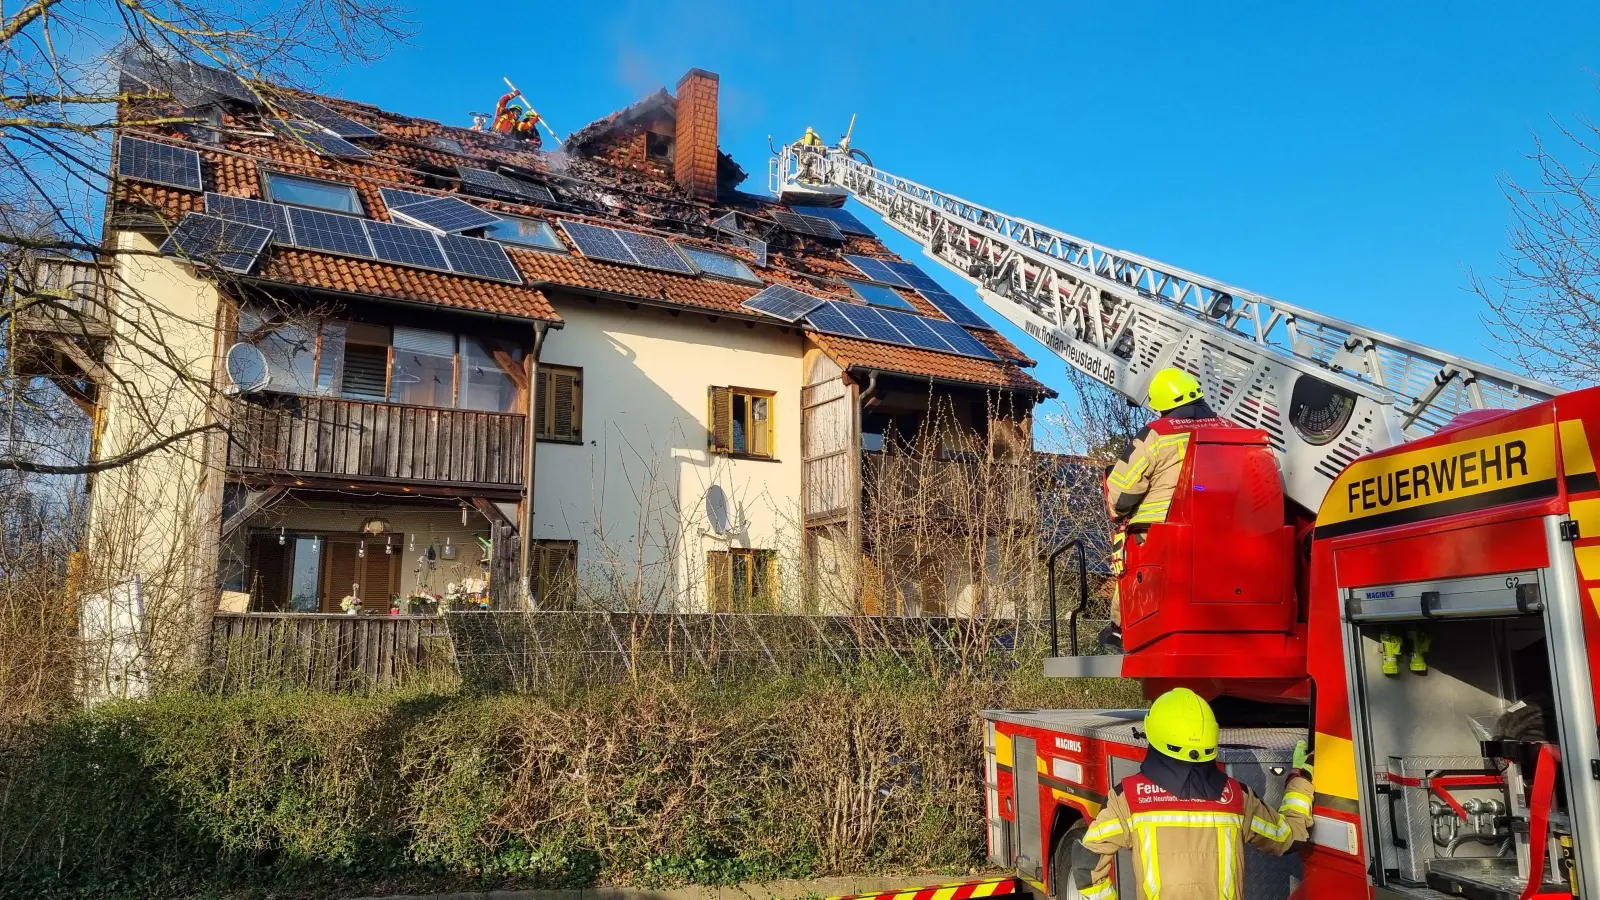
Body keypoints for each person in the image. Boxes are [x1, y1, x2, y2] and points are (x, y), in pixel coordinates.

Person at [1072, 688, 1314, 900]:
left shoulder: (1129, 798)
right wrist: (1301, 780)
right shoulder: (1237, 798)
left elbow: (1086, 865)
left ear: (1154, 734)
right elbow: (1288, 837)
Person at [1099, 367, 1226, 652]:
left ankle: (1121, 632)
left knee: (1128, 562)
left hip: (1159, 536)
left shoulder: (1157, 434)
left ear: (1163, 405)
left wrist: (1120, 510)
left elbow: (1121, 493)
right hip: (1226, 535)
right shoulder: (1232, 429)